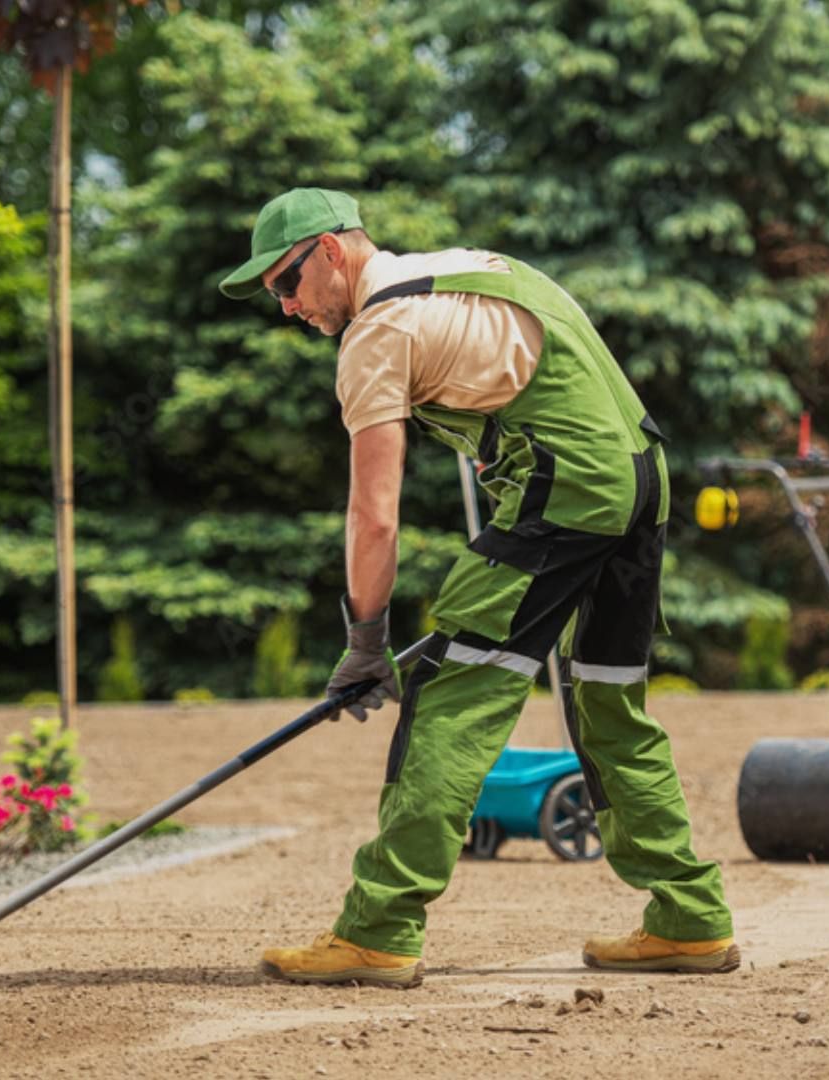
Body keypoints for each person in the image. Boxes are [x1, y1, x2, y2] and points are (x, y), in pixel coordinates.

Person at [219, 188, 736, 988]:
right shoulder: (467, 267)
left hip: (566, 491)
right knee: (605, 698)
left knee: (451, 694)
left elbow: (374, 516)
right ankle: (690, 919)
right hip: (641, 479)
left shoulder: (376, 333)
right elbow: (542, 372)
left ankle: (379, 929)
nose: (287, 308)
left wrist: (365, 641)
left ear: (329, 251)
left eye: (286, 284)